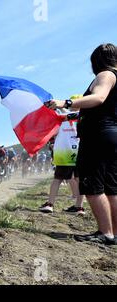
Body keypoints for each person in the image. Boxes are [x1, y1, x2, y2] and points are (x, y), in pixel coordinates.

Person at [47, 43, 117, 245]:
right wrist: (68, 112)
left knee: (93, 185)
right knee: (111, 188)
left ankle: (105, 232)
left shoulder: (105, 75)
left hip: (98, 136)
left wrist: (66, 102)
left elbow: (99, 98)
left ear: (96, 61)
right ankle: (113, 233)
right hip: (111, 135)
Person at [39, 97, 85, 215]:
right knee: (80, 180)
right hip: (81, 152)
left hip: (64, 152)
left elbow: (52, 132)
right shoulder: (86, 116)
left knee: (57, 179)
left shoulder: (60, 117)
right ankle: (79, 207)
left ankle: (50, 204)